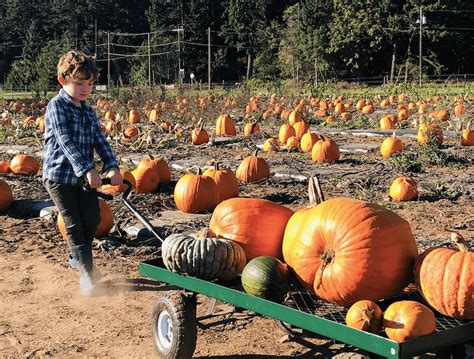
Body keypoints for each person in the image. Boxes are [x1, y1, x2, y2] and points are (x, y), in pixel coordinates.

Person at [43, 50, 122, 296]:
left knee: (92, 219)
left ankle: (78, 258)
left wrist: (112, 165)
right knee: (74, 224)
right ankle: (87, 274)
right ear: (62, 80)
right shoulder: (56, 107)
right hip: (59, 177)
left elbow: (99, 139)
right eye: (79, 83)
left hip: (84, 178)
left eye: (89, 84)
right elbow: (65, 141)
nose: (85, 89)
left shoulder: (88, 110)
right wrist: (87, 169)